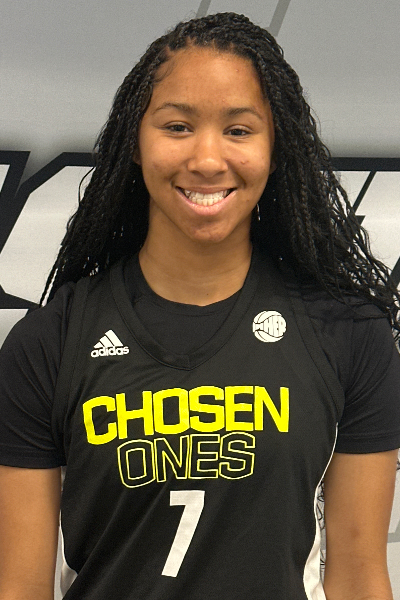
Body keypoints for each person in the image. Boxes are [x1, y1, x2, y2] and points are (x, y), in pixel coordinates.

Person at [0, 11, 399, 600]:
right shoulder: (49, 344)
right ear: (135, 144)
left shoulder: (348, 334)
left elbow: (360, 577)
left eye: (238, 130)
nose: (208, 159)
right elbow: (20, 588)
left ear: (275, 148)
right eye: (178, 126)